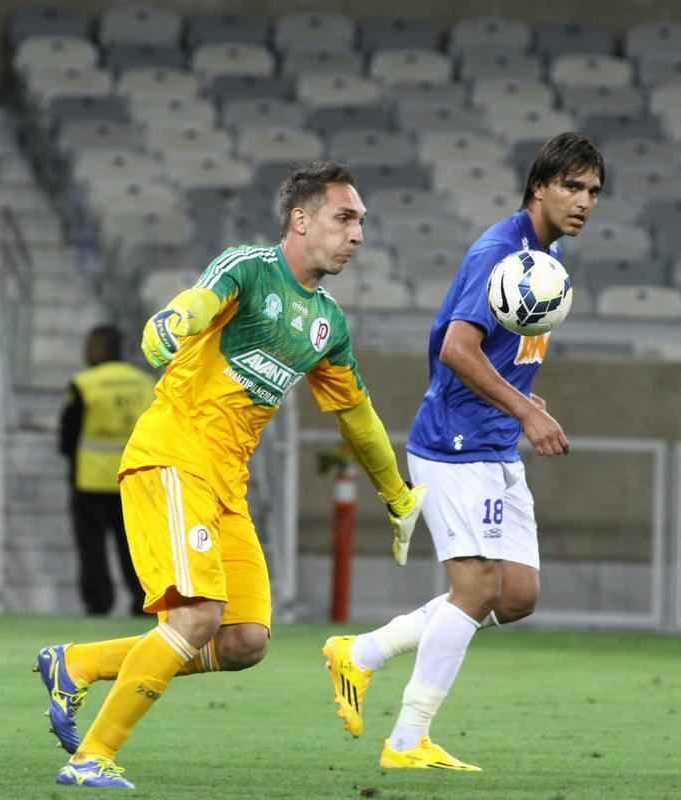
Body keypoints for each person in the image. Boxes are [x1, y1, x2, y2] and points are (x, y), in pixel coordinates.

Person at [37, 161, 426, 789]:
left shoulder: (328, 324)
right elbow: (199, 301)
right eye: (344, 218)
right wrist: (171, 322)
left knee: (245, 639)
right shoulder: (250, 268)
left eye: (361, 223)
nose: (357, 235)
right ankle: (91, 758)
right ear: (301, 220)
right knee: (195, 618)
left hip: (226, 486)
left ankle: (76, 664)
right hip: (173, 458)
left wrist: (397, 493)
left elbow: (359, 418)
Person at [323, 132, 605, 771]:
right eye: (573, 186)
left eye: (593, 191)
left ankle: (361, 653)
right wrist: (526, 409)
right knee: (475, 588)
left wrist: (525, 406)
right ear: (540, 186)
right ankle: (407, 741)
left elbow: (505, 353)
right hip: (455, 443)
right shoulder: (501, 251)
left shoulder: (544, 253)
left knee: (517, 595)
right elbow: (457, 348)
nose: (585, 201)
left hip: (493, 442)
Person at [58, 325, 154, 616]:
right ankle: (142, 599)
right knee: (135, 546)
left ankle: (99, 603)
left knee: (92, 547)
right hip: (135, 478)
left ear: (98, 349)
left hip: (90, 481)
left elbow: (67, 437)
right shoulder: (145, 384)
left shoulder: (84, 384)